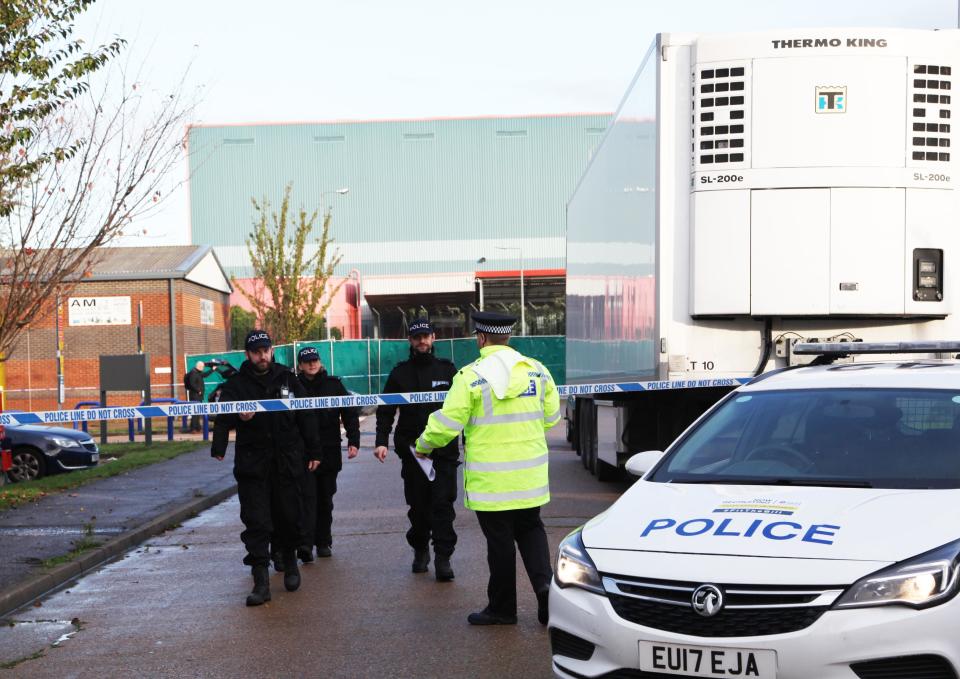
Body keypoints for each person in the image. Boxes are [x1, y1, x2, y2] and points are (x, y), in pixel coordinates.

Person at [415, 311, 561, 626]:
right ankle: (545, 589)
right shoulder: (537, 371)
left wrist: (423, 444)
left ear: (481, 338)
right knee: (532, 530)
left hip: (492, 481)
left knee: (500, 542)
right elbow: (551, 417)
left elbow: (447, 425)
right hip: (529, 477)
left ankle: (503, 608)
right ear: (508, 337)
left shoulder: (470, 376)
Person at [211, 330, 322, 607]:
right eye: (257, 351)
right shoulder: (237, 384)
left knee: (288, 515)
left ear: (271, 351)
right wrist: (221, 444)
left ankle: (291, 563)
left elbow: (306, 413)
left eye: (266, 350)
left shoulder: (287, 377)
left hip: (286, 461)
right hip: (253, 464)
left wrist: (313, 450)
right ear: (248, 354)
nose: (263, 355)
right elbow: (223, 415)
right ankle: (260, 580)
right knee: (257, 521)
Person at [374, 318, 459, 581]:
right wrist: (381, 440)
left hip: (443, 451)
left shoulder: (448, 371)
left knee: (443, 506)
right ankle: (420, 549)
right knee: (419, 507)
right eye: (417, 337)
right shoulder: (400, 373)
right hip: (413, 453)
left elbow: (462, 408)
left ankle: (443, 558)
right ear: (410, 341)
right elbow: (386, 410)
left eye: (426, 336)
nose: (422, 341)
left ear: (433, 338)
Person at [295, 345, 360, 560]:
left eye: (315, 360)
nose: (312, 364)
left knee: (325, 499)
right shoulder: (294, 387)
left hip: (329, 451)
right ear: (300, 365)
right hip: (303, 452)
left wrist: (354, 440)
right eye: (307, 361)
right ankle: (305, 544)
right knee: (306, 499)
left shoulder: (334, 385)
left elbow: (349, 413)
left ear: (320, 362)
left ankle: (323, 542)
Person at [183, 361, 213, 432]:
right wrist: (198, 390)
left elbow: (205, 375)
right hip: (195, 396)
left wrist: (212, 370)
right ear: (199, 367)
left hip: (197, 396)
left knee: (197, 412)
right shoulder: (194, 374)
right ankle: (194, 428)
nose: (203, 368)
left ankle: (197, 427)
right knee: (195, 412)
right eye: (202, 367)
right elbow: (192, 384)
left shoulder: (197, 373)